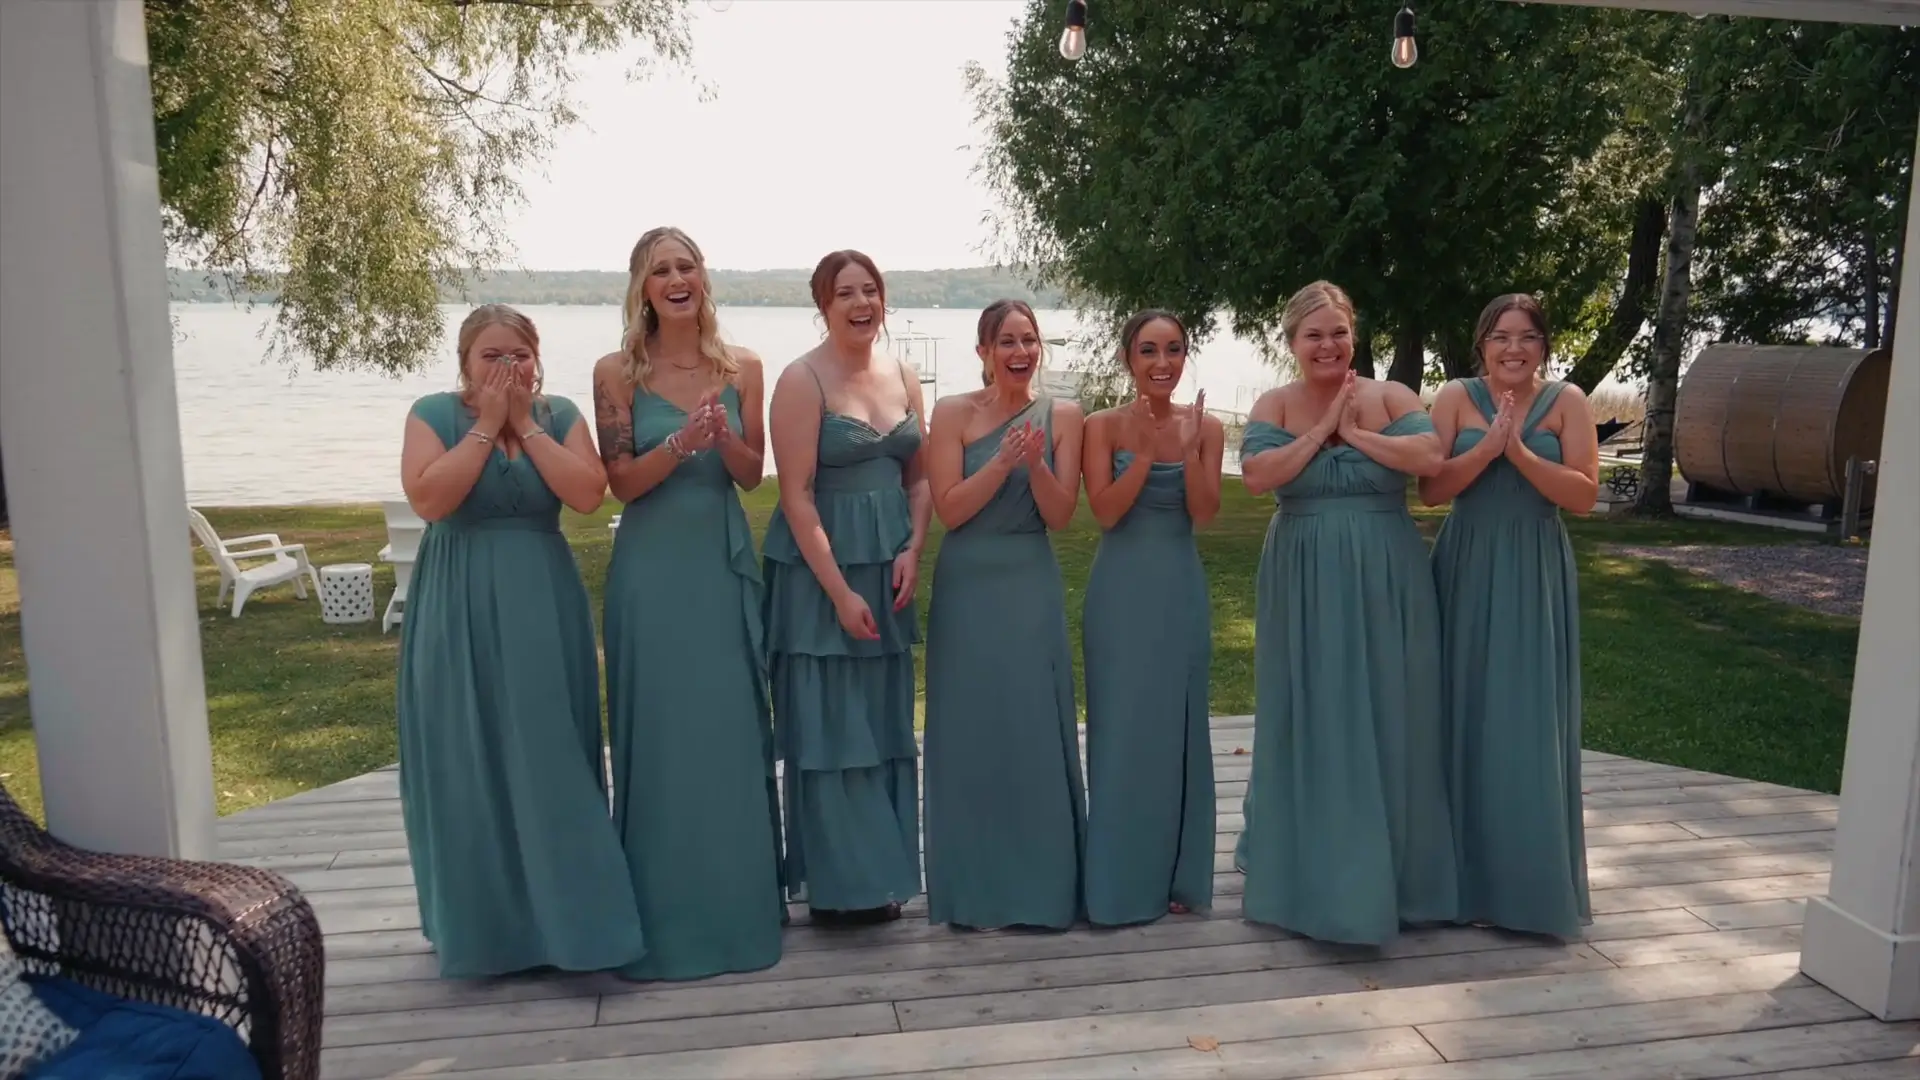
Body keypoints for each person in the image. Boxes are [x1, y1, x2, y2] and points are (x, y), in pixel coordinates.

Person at [395, 304, 645, 978]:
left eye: (520, 355)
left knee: (550, 751)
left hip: (541, 597)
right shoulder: (431, 414)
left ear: (538, 359)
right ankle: (484, 931)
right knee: (467, 754)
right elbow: (429, 500)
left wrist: (526, 424)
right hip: (459, 600)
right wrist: (485, 426)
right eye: (491, 357)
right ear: (465, 363)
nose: (508, 368)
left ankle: (570, 926)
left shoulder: (560, 416)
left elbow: (589, 494)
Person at [1234, 280, 1458, 946]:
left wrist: (1356, 432)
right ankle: (1309, 864)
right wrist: (1324, 432)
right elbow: (1257, 475)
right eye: (1313, 335)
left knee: (1393, 706)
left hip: (1386, 574)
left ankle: (1397, 874)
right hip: (1301, 575)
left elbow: (1428, 458)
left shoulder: (1391, 397)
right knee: (1311, 708)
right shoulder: (1275, 402)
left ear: (1353, 335)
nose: (1327, 345)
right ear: (1292, 342)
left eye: (1338, 332)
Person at [592, 227, 785, 980]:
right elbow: (620, 483)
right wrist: (676, 446)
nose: (676, 279)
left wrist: (719, 436)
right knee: (662, 729)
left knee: (728, 726)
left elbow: (750, 474)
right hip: (651, 568)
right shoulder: (617, 373)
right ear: (642, 287)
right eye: (660, 270)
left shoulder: (742, 369)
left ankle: (739, 906)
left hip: (717, 561)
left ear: (703, 278)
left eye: (687, 266)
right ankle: (660, 907)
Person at [1421, 293, 1598, 939]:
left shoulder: (1568, 403)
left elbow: (1582, 495)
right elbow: (1432, 488)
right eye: (1500, 337)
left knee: (1524, 717)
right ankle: (1455, 884)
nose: (1513, 348)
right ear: (1482, 345)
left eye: (1526, 337)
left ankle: (1525, 890)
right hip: (1466, 562)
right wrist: (1484, 448)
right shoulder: (1453, 397)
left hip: (1532, 568)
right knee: (1458, 710)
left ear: (1544, 345)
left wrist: (1519, 453)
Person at [762, 250, 931, 925]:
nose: (861, 303)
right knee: (833, 727)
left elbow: (918, 478)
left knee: (884, 725)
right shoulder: (802, 381)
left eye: (871, 291)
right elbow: (797, 497)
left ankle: (882, 876)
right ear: (823, 305)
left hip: (889, 566)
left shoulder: (905, 375)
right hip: (821, 574)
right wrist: (836, 591)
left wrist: (915, 548)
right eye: (845, 293)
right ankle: (838, 884)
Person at [921, 299, 1087, 931]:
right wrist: (1001, 461)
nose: (1020, 352)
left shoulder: (1064, 415)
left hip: (1028, 582)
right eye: (1007, 342)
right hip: (968, 585)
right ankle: (974, 891)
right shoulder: (952, 413)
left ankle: (1040, 890)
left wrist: (1037, 463)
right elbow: (951, 509)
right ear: (984, 352)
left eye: (1029, 340)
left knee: (1031, 728)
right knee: (970, 731)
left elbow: (1062, 514)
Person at [1080, 309, 1223, 927]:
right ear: (1128, 359)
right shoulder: (1100, 425)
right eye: (1148, 351)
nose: (1162, 363)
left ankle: (1177, 875)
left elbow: (1206, 510)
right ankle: (1120, 877)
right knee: (1123, 728)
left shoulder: (1208, 428)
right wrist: (1142, 451)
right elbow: (1106, 513)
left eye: (1173, 350)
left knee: (1179, 728)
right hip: (1120, 590)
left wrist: (1189, 451)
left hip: (1178, 588)